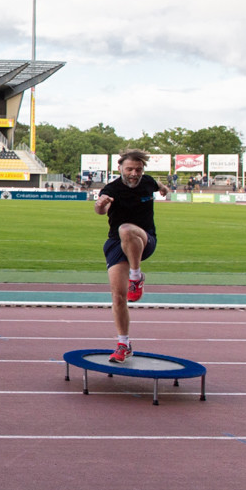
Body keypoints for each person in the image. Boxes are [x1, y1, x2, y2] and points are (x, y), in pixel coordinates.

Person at [94, 149, 169, 363]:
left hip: (144, 240)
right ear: (120, 169)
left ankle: (136, 277)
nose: (135, 173)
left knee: (127, 229)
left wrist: (163, 189)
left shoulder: (148, 182)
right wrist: (100, 206)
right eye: (130, 169)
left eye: (138, 169)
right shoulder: (111, 189)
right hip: (117, 243)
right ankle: (123, 344)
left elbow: (159, 186)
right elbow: (100, 208)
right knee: (118, 296)